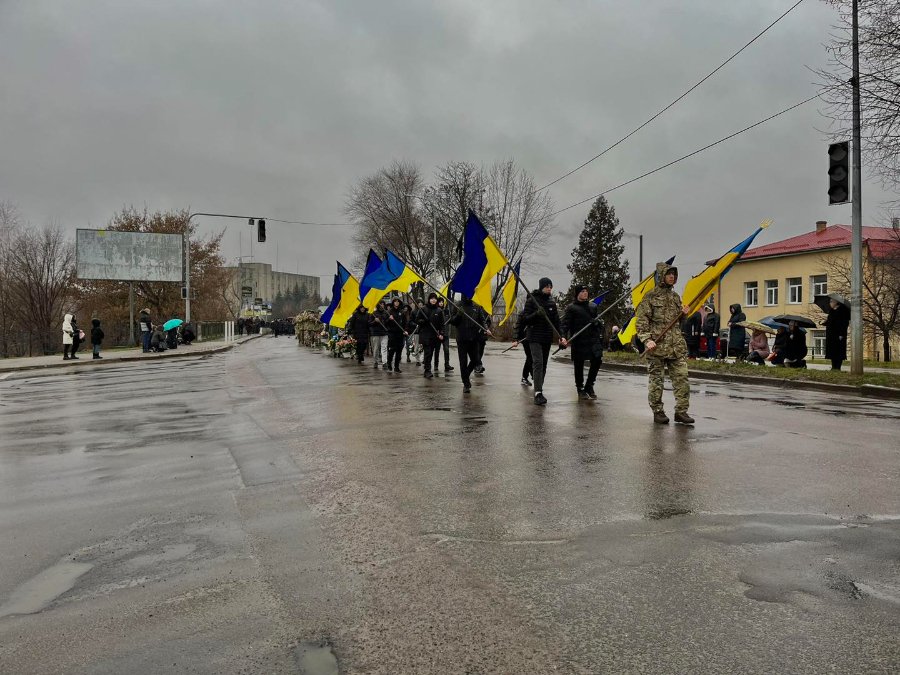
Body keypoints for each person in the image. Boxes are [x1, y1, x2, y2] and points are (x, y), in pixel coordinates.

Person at [636, 262, 694, 425]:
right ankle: (658, 411)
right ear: (661, 276)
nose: (672, 277)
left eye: (674, 274)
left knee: (682, 378)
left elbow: (678, 322)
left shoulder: (675, 297)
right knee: (657, 381)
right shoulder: (650, 296)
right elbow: (641, 321)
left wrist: (684, 314)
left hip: (676, 346)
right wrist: (647, 340)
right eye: (669, 274)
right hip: (657, 346)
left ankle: (681, 412)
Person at [521, 277, 566, 405]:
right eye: (547, 286)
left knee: (544, 364)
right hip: (534, 337)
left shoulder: (551, 303)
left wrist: (561, 336)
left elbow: (557, 322)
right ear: (541, 287)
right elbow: (525, 319)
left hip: (546, 337)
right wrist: (536, 314)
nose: (549, 289)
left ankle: (539, 387)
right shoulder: (532, 301)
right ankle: (538, 393)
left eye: (551, 287)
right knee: (538, 363)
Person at [562, 285, 604, 399]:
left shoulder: (593, 306)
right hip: (579, 339)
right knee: (579, 364)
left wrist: (596, 323)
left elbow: (599, 323)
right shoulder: (571, 308)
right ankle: (580, 388)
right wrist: (563, 337)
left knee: (597, 360)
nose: (585, 293)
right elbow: (565, 325)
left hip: (593, 339)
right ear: (577, 294)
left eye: (586, 291)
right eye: (582, 291)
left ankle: (589, 386)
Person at [450, 295, 491, 393]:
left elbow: (482, 320)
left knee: (476, 360)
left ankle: (466, 375)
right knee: (463, 362)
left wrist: (486, 329)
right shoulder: (457, 305)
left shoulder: (476, 306)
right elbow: (453, 322)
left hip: (474, 338)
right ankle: (466, 384)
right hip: (462, 339)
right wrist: (458, 315)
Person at [416, 293, 445, 379]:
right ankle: (427, 370)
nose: (433, 300)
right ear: (429, 299)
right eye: (432, 298)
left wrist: (441, 333)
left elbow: (442, 324)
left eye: (435, 298)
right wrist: (424, 321)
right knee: (428, 352)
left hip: (434, 335)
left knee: (431, 353)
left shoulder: (439, 311)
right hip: (425, 334)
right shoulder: (423, 309)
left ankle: (427, 368)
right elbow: (417, 320)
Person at [824, 299, 850, 370]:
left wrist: (841, 334)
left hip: (839, 335)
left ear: (836, 302)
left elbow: (844, 323)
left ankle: (838, 367)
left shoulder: (843, 311)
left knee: (838, 351)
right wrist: (825, 322)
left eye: (831, 302)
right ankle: (833, 367)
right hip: (831, 334)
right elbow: (831, 321)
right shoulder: (831, 311)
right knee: (832, 351)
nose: (830, 303)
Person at [386, 297, 409, 372]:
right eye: (395, 301)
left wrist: (405, 330)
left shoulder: (402, 312)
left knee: (399, 351)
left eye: (398, 301)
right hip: (392, 334)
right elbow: (385, 323)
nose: (396, 302)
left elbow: (405, 323)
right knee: (392, 350)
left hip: (400, 334)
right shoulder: (389, 311)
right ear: (393, 302)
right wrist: (389, 319)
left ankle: (396, 367)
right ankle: (389, 364)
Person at [511, 311, 533, 386]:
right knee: (530, 357)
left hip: (537, 337)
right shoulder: (524, 313)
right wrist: (515, 339)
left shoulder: (539, 310)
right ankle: (526, 377)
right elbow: (517, 326)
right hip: (525, 338)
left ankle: (531, 375)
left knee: (534, 358)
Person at [434, 297, 454, 373]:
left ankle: (447, 365)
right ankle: (436, 365)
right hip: (438, 334)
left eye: (442, 302)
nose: (441, 303)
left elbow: (451, 320)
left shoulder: (447, 312)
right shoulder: (436, 311)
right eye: (440, 302)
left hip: (445, 334)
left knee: (446, 350)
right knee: (437, 350)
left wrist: (451, 316)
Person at [369, 301, 389, 369]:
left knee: (384, 348)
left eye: (383, 304)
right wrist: (375, 321)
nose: (382, 305)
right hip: (376, 333)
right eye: (381, 304)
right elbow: (369, 324)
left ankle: (384, 362)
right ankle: (375, 361)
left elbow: (388, 323)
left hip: (384, 333)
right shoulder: (373, 313)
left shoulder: (386, 313)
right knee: (376, 348)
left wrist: (389, 319)